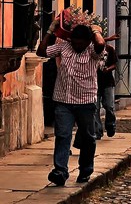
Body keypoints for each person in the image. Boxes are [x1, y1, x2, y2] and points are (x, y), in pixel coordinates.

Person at [37, 18, 106, 186]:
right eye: (74, 43)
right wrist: (50, 31)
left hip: (86, 101)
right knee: (62, 136)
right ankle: (60, 171)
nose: (77, 46)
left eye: (81, 44)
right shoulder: (64, 46)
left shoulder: (92, 51)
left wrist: (96, 31)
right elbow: (41, 52)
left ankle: (85, 170)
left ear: (87, 41)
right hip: (63, 100)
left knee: (88, 137)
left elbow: (101, 45)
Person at [94, 40, 118, 140]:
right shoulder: (90, 50)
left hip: (108, 82)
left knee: (109, 106)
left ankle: (110, 125)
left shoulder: (109, 49)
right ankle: (97, 131)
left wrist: (108, 69)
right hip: (94, 83)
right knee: (95, 108)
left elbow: (115, 64)